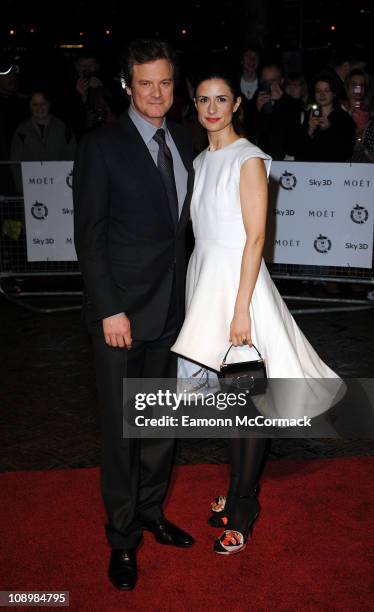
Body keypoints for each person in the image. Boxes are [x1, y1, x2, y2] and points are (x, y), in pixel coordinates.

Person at [171, 71, 342, 555]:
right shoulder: (201, 160)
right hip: (207, 283)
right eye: (203, 99)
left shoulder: (248, 159)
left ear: (237, 103)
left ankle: (243, 509)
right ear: (196, 103)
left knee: (247, 406)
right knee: (232, 407)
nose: (211, 108)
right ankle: (238, 492)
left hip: (238, 291)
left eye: (221, 99)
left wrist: (241, 309)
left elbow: (256, 238)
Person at [73, 38, 194, 591]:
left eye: (165, 82)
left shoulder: (187, 139)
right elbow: (89, 238)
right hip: (121, 318)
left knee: (160, 422)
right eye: (145, 83)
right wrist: (110, 309)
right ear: (127, 87)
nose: (155, 93)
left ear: (175, 84)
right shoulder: (102, 146)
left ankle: (150, 511)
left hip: (172, 311)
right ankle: (122, 538)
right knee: (122, 432)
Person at [296, 72, 356, 162]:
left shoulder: (343, 118)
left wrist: (329, 129)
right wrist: (309, 131)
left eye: (326, 90)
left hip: (334, 171)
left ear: (334, 93)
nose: (322, 94)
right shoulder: (308, 115)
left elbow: (346, 151)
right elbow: (296, 150)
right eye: (318, 91)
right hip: (308, 171)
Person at [10, 91, 76, 161]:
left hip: (58, 171)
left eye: (43, 103)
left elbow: (72, 155)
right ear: (30, 106)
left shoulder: (64, 128)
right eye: (35, 104)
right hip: (30, 172)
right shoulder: (22, 130)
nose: (39, 108)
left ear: (49, 104)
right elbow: (15, 160)